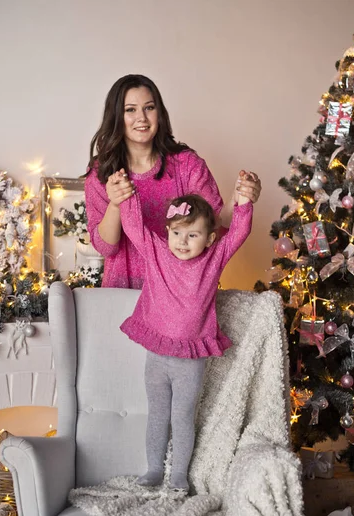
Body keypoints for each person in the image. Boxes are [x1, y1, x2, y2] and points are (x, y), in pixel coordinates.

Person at [116, 181, 253, 491]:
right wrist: (126, 197)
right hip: (158, 355)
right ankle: (153, 470)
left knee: (182, 418)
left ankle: (178, 475)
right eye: (177, 233)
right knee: (157, 414)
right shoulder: (157, 252)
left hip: (190, 360)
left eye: (193, 235)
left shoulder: (213, 259)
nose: (183, 241)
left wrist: (243, 203)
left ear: (209, 239)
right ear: (168, 232)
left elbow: (239, 234)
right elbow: (134, 225)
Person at [85, 74, 261, 289]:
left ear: (159, 113)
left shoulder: (187, 164)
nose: (141, 117)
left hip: (180, 292)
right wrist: (115, 204)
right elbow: (106, 248)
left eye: (149, 108)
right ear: (116, 116)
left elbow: (214, 226)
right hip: (123, 291)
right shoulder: (101, 172)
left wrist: (238, 197)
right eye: (130, 109)